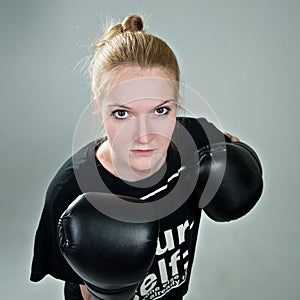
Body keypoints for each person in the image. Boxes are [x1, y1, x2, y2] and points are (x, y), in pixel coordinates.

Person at [30, 15, 263, 300]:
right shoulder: (72, 191)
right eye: (122, 113)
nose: (144, 136)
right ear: (99, 112)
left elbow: (231, 145)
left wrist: (239, 161)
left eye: (161, 111)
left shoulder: (195, 143)